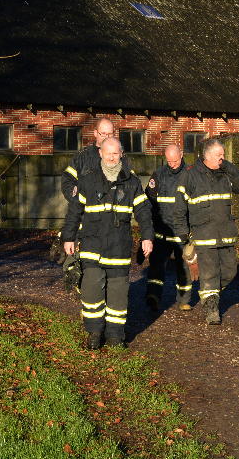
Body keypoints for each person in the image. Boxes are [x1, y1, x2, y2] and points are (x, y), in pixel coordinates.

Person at [62, 137, 153, 349]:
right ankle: (94, 333)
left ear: (121, 154)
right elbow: (74, 211)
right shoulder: (87, 180)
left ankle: (115, 336)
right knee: (91, 289)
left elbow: (143, 211)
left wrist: (147, 236)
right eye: (108, 153)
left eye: (116, 153)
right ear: (100, 154)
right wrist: (69, 237)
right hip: (92, 245)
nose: (112, 157)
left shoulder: (131, 182)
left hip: (119, 247)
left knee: (118, 295)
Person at [173, 138, 239, 325]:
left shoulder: (227, 173)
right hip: (203, 235)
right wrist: (183, 233)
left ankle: (210, 295)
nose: (222, 159)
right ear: (206, 156)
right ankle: (211, 309)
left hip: (226, 234)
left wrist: (229, 166)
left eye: (223, 155)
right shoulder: (190, 175)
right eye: (218, 156)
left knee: (230, 272)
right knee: (209, 274)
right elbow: (179, 207)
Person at [144, 144, 193, 311]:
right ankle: (153, 296)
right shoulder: (159, 175)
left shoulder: (191, 174)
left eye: (175, 160)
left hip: (182, 231)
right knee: (156, 266)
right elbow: (149, 199)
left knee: (183, 268)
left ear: (182, 154)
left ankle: (184, 300)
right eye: (169, 161)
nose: (172, 164)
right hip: (162, 230)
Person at [61, 117, 131, 201]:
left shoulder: (122, 157)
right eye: (103, 133)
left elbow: (130, 182)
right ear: (95, 133)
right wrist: (77, 201)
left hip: (115, 211)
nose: (107, 137)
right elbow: (67, 180)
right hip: (87, 211)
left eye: (110, 134)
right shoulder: (82, 156)